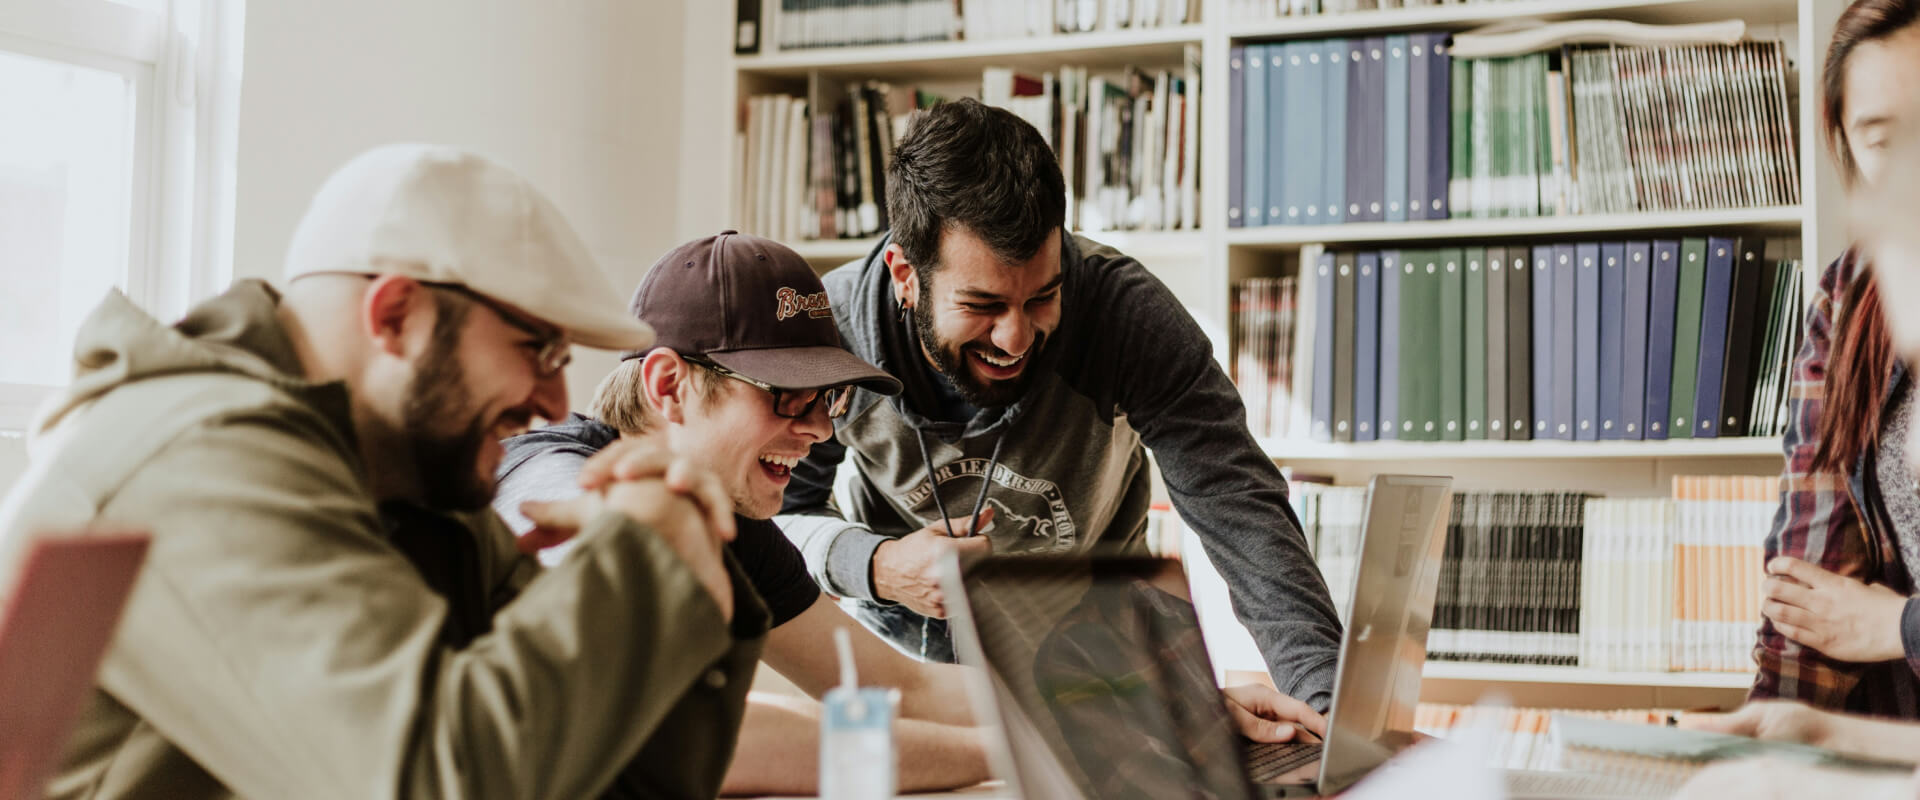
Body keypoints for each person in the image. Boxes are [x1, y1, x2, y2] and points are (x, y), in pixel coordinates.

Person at [0, 144, 766, 799]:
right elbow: (437, 779)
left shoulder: (412, 480)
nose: (556, 399)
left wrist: (693, 563)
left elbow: (621, 779)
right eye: (536, 349)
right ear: (395, 315)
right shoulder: (196, 460)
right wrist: (643, 556)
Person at [494, 231, 1319, 795]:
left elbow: (893, 685)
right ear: (670, 385)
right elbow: (696, 733)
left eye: (830, 401)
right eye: (788, 398)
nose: (819, 430)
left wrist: (1164, 708)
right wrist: (1063, 747)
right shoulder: (554, 482)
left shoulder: (732, 521)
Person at [772, 98, 1344, 722]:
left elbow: (1239, 506)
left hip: (1098, 662)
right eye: (983, 305)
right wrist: (876, 565)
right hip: (908, 674)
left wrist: (1328, 710)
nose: (1015, 338)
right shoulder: (833, 333)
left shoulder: (1125, 314)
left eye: (1042, 297)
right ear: (905, 274)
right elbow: (775, 517)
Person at [1749, 0, 1920, 719]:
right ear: (1848, 149)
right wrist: (1767, 731)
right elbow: (1811, 580)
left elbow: (1866, 622)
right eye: (1884, 139)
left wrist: (1896, 626)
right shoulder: (1852, 297)